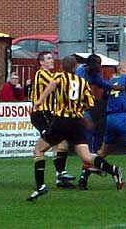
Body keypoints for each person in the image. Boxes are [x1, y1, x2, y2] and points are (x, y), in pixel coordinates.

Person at [26, 56, 123, 201]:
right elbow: (90, 103)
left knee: (39, 150)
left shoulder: (60, 76)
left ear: (62, 68)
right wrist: (78, 108)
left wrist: (39, 101)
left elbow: (53, 84)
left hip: (61, 121)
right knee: (86, 156)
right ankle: (113, 170)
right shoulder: (82, 82)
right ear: (74, 69)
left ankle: (40, 187)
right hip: (77, 122)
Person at [79, 60, 126, 191]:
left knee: (103, 152)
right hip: (124, 117)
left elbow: (104, 94)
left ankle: (84, 176)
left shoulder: (111, 82)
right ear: (123, 70)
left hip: (110, 118)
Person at [30, 51, 76, 188]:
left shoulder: (50, 75)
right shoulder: (41, 73)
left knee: (60, 142)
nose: (52, 61)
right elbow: (56, 84)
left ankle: (60, 176)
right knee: (54, 142)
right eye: (48, 58)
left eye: (52, 58)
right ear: (41, 62)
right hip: (40, 113)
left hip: (48, 113)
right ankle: (59, 174)